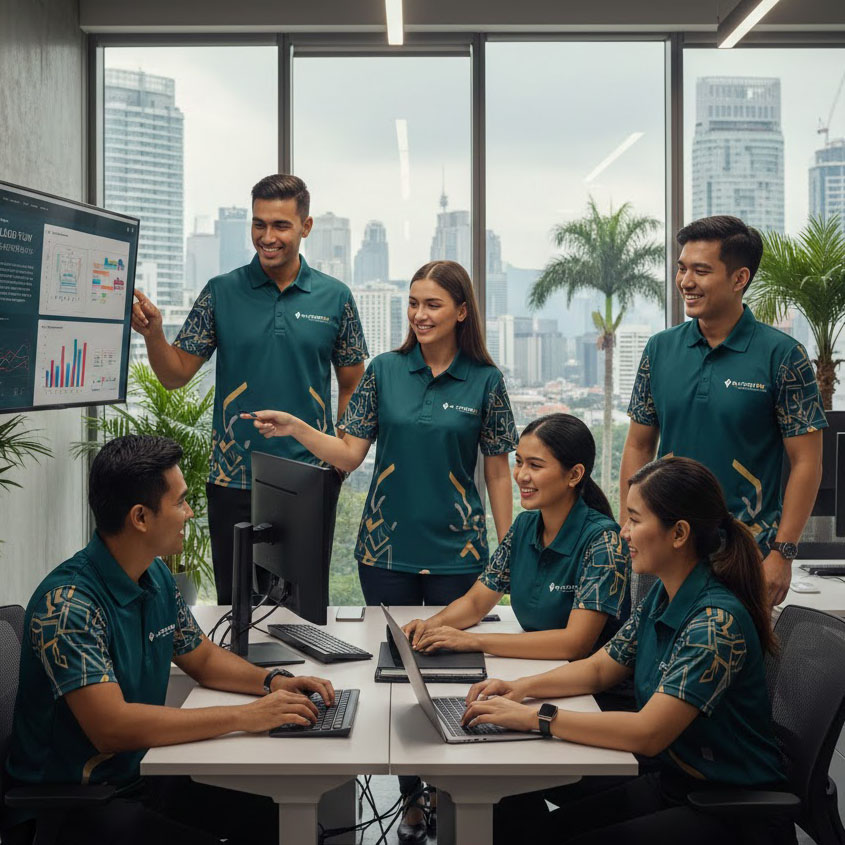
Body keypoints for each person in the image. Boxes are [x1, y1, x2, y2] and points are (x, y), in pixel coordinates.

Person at [246, 259, 517, 844]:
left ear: (462, 311)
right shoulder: (385, 373)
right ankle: (413, 799)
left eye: (433, 305)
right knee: (397, 678)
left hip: (460, 555)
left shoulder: (486, 382)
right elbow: (346, 455)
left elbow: (498, 473)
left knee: (450, 680)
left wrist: (507, 551)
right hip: (384, 551)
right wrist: (297, 426)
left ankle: (455, 797)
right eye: (414, 303)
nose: (420, 314)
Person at [2, 435, 335, 845]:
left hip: (138, 777)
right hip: (75, 805)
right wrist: (245, 717)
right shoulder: (69, 605)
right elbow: (113, 728)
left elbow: (204, 659)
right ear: (140, 517)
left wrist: (274, 683)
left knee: (271, 814)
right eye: (179, 502)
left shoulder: (154, 575)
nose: (189, 512)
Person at [463, 456, 795, 845]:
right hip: (676, 782)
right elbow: (602, 668)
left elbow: (648, 733)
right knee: (522, 814)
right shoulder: (664, 594)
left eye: (635, 520)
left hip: (730, 810)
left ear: (679, 533)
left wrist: (534, 716)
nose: (624, 532)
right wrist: (519, 690)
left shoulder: (715, 623)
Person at [131, 174, 368, 604]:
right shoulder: (221, 292)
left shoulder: (336, 298)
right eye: (259, 224)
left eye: (280, 225)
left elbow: (353, 382)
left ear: (305, 227)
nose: (268, 236)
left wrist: (339, 460)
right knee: (236, 610)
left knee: (301, 610)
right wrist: (153, 336)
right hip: (233, 481)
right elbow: (176, 373)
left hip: (308, 480)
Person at [620, 214, 826, 606]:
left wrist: (782, 553)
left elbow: (806, 464)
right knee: (649, 663)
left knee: (735, 663)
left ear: (739, 278)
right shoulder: (659, 350)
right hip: (661, 550)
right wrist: (629, 524)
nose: (686, 282)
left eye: (701, 270)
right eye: (682, 269)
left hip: (744, 556)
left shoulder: (783, 357)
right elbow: (638, 446)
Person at [402, 413, 630, 661]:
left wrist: (473, 641)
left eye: (535, 465)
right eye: (519, 462)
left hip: (591, 693)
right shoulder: (524, 526)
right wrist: (431, 625)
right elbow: (477, 603)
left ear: (574, 475)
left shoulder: (605, 541)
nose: (521, 475)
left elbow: (574, 644)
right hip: (534, 667)